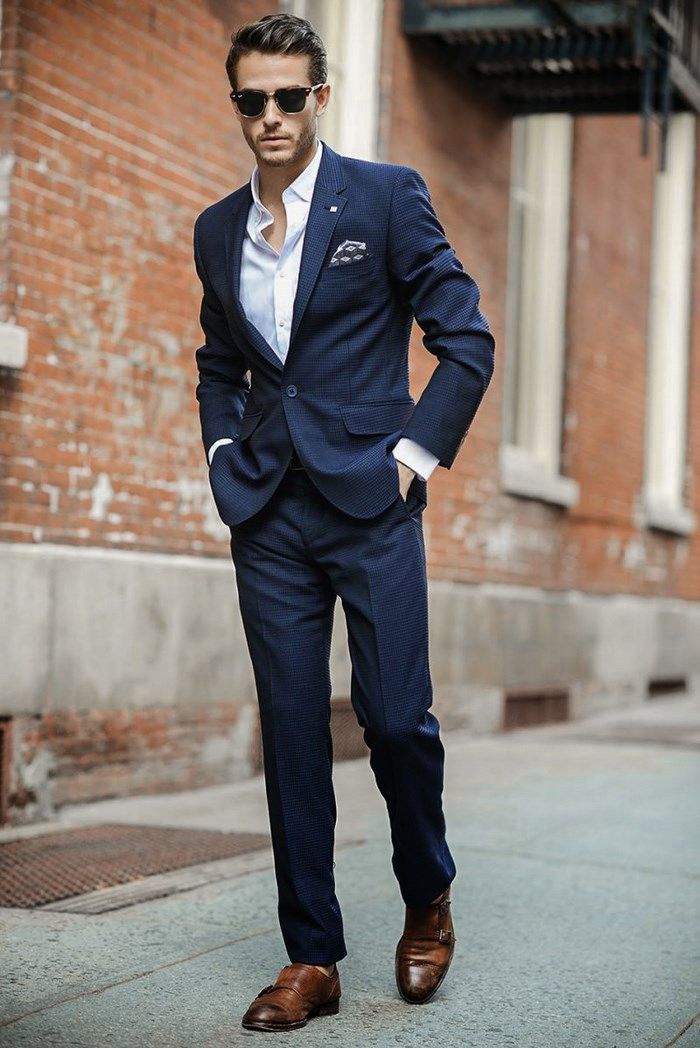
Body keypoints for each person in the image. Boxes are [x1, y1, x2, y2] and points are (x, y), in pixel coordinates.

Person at [192, 12, 495, 1033]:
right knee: (288, 731)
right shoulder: (214, 229)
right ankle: (311, 954)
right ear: (238, 105)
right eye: (251, 100)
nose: (269, 116)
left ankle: (428, 892)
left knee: (396, 721)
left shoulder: (386, 196)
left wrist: (412, 458)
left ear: (319, 98)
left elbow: (466, 340)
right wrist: (221, 453)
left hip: (371, 503)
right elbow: (217, 365)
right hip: (268, 509)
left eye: (287, 96)